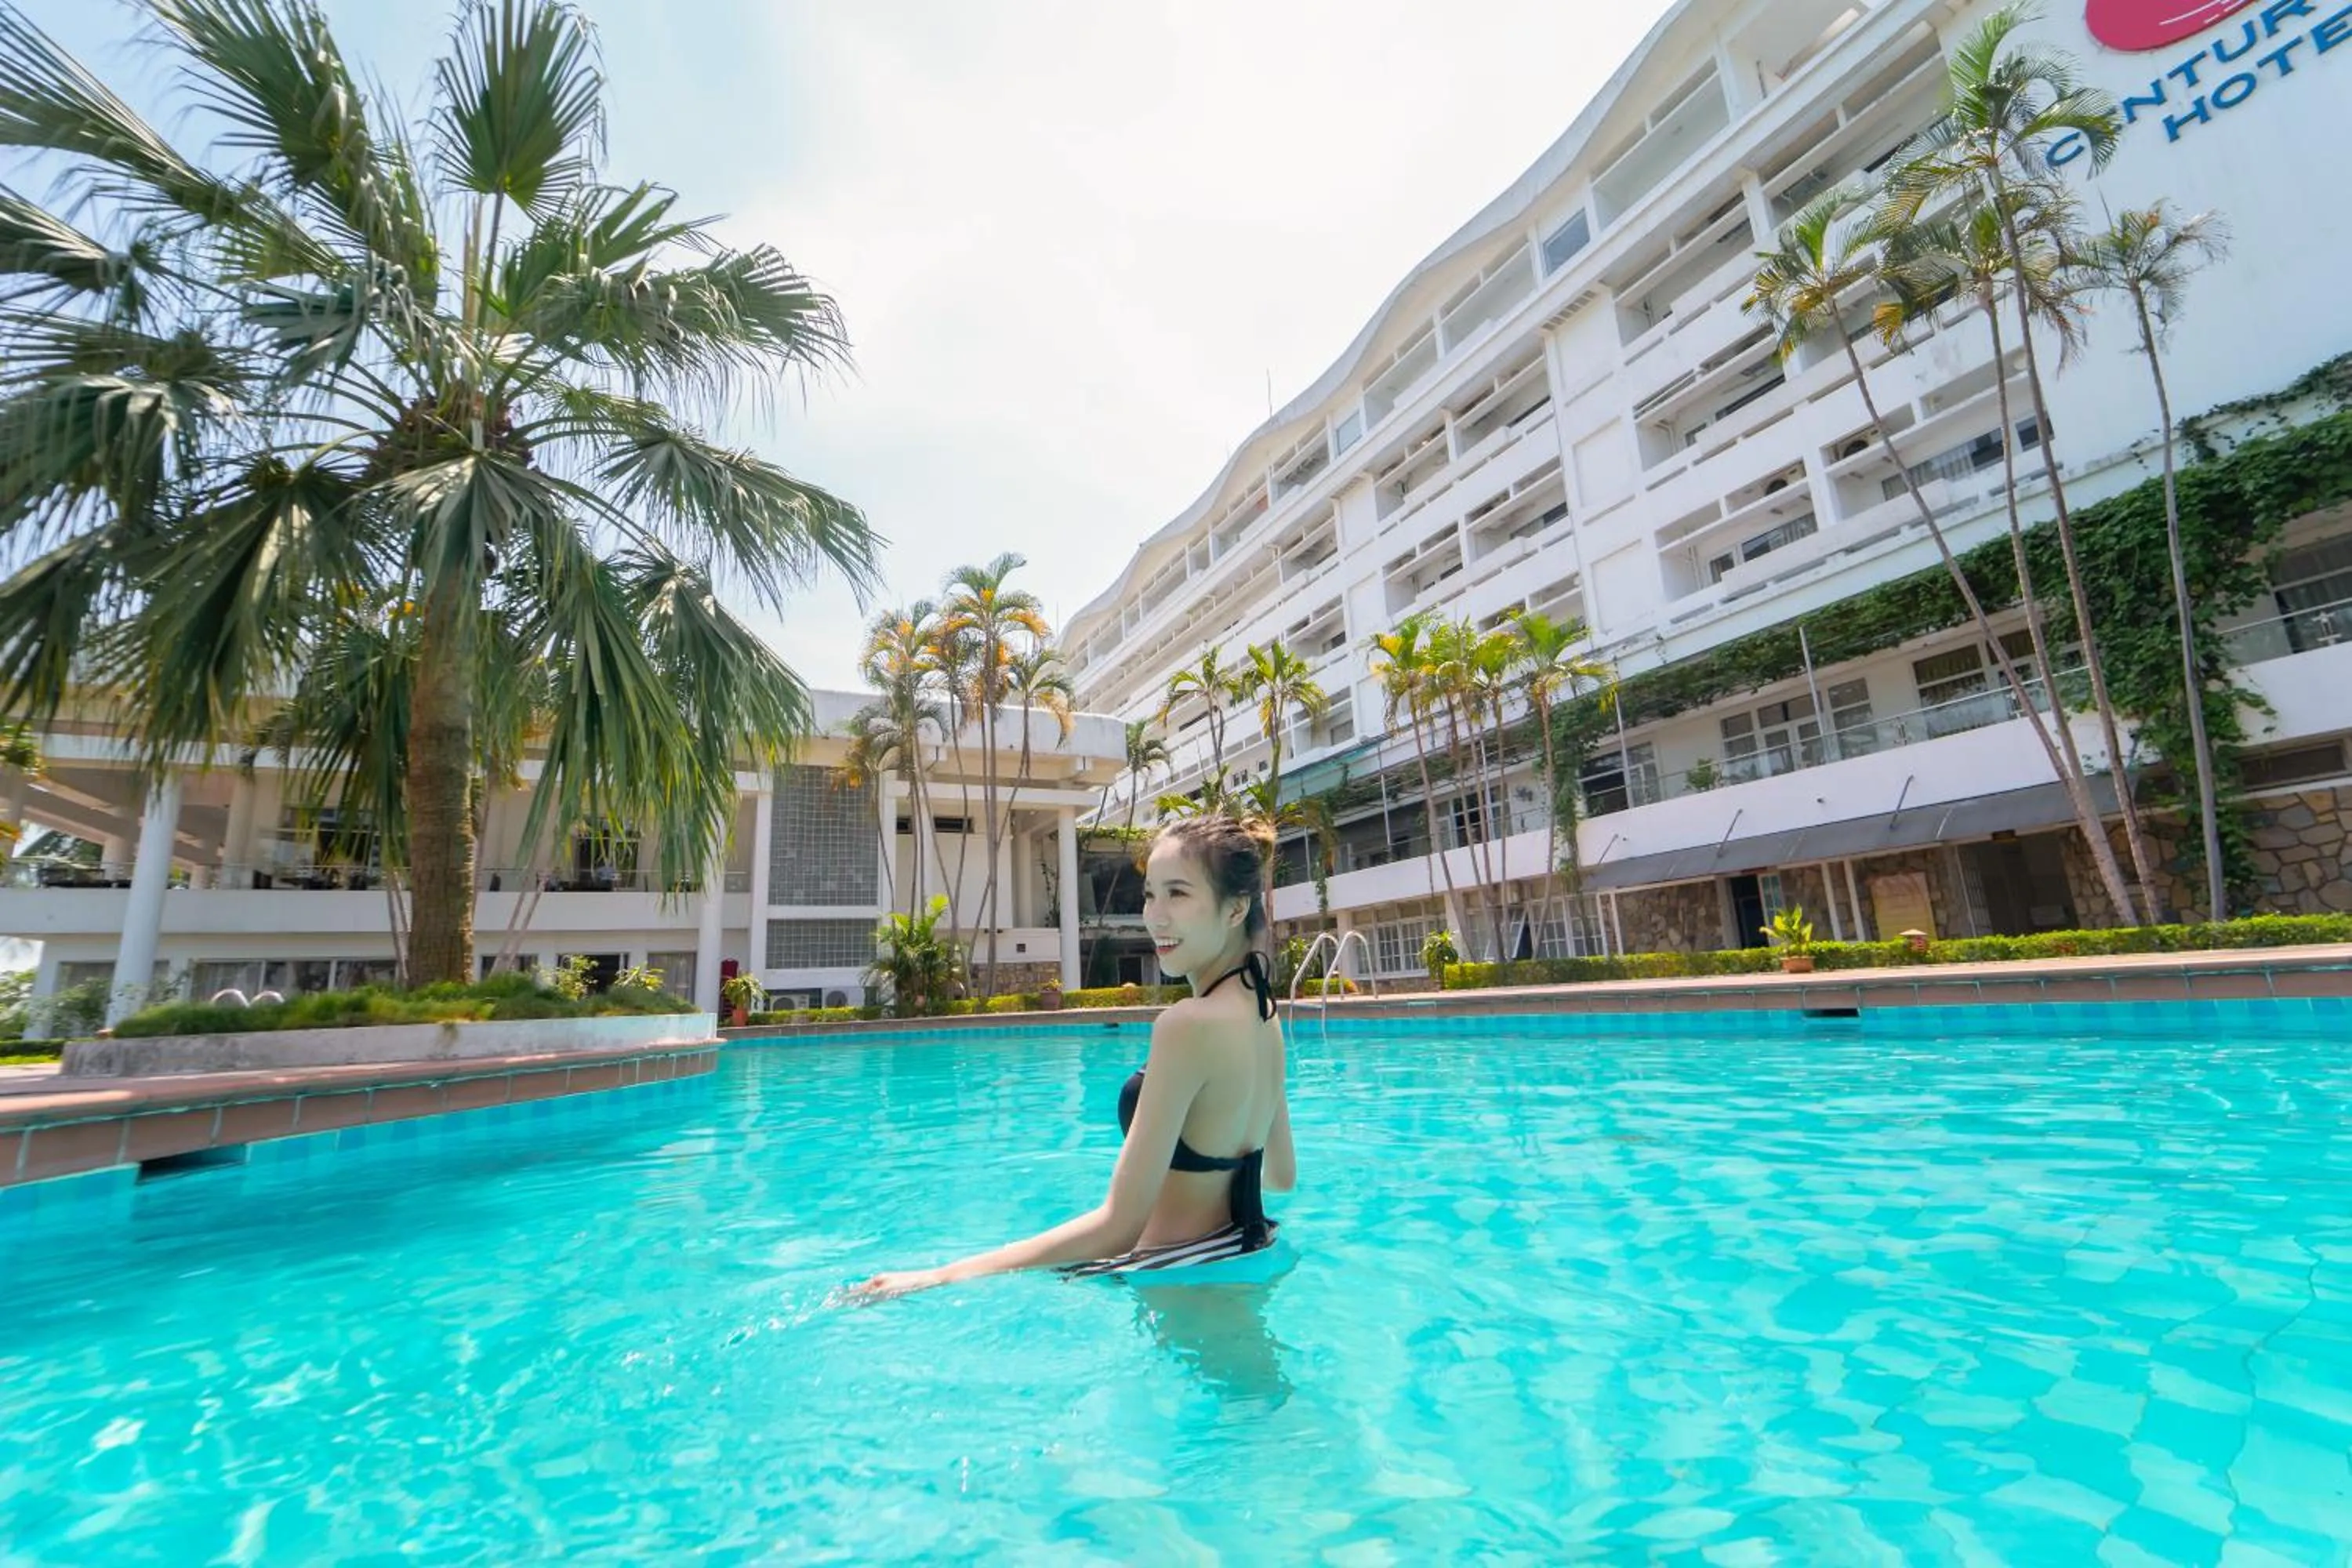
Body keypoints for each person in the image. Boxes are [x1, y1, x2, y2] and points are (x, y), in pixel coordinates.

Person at [851, 815, 1295, 1300]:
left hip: (1174, 1274)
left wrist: (938, 1276)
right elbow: (1279, 1176)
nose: (1156, 916)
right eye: (1149, 894)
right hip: (1241, 1250)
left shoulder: (1187, 1026)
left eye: (1179, 894)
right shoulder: (1263, 1015)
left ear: (1235, 910)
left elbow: (1117, 1228)